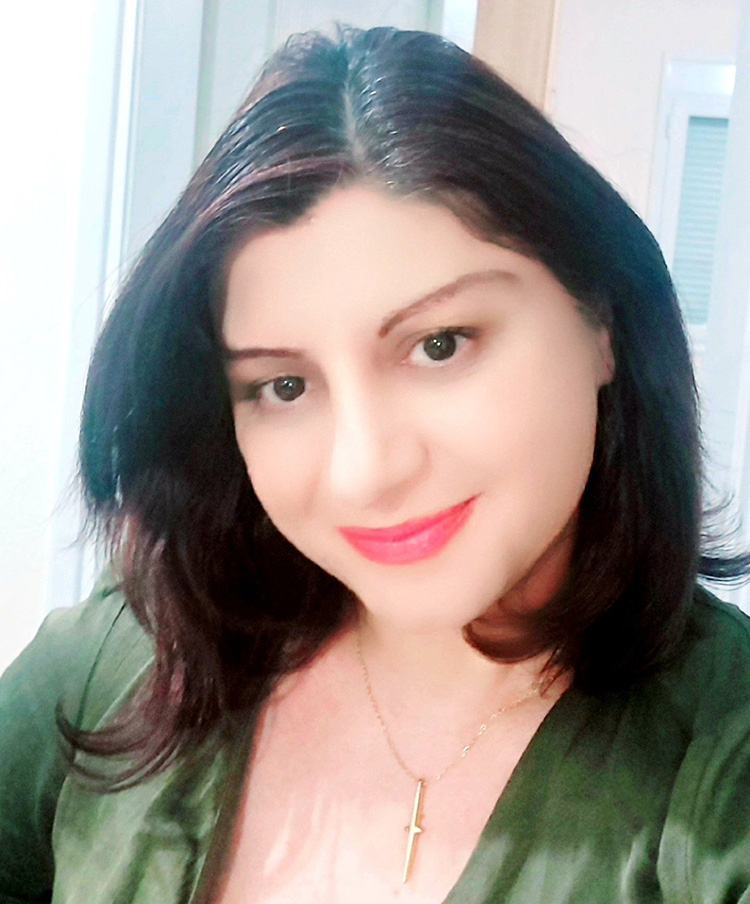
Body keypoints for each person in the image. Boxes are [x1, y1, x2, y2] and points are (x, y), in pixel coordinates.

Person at [1, 23, 750, 904]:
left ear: (603, 323)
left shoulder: (720, 759)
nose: (364, 471)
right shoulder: (122, 656)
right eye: (284, 386)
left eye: (440, 344)